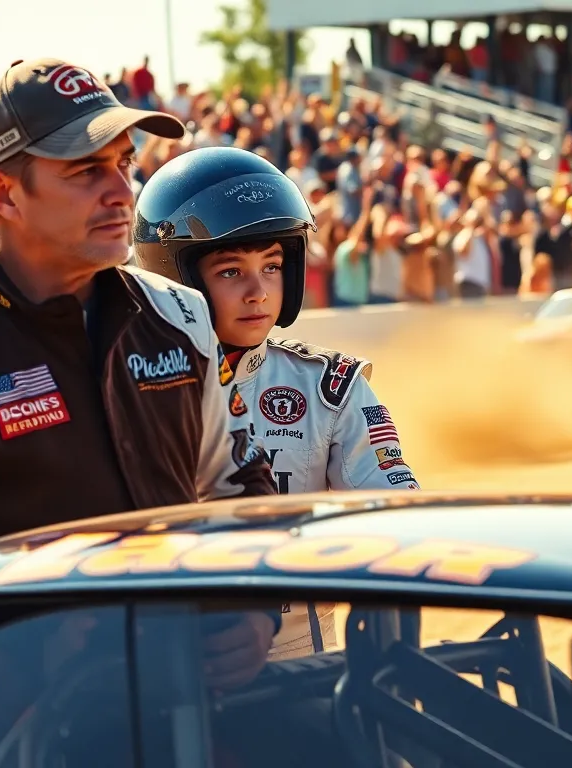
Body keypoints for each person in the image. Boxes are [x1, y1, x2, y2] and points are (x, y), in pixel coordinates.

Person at [0, 58, 278, 748]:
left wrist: (254, 615)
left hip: (190, 720)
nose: (122, 191)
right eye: (85, 171)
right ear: (3, 192)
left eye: (124, 164)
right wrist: (20, 720)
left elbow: (239, 489)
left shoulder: (182, 318)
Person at [132, 146, 420, 659]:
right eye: (229, 272)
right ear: (175, 278)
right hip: (161, 672)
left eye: (271, 266)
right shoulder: (122, 390)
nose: (258, 292)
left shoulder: (332, 385)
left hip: (307, 674)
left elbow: (399, 517)